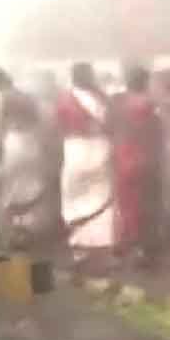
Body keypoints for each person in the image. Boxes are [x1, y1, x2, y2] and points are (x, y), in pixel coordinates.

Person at [56, 62, 116, 264]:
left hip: (75, 150)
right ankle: (104, 248)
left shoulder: (65, 99)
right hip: (100, 148)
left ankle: (79, 247)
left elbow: (60, 125)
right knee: (102, 196)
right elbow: (111, 123)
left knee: (74, 198)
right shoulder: (102, 98)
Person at [0, 68, 56, 250]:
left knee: (10, 192)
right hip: (32, 144)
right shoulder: (27, 98)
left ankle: (15, 235)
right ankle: (28, 231)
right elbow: (40, 123)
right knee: (31, 190)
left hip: (13, 144)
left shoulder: (1, 99)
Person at [112, 66, 165, 266]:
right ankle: (145, 249)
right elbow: (157, 133)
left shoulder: (117, 103)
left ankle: (127, 242)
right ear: (145, 82)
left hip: (123, 156)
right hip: (146, 158)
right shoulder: (150, 104)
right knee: (148, 205)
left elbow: (109, 128)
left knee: (126, 203)